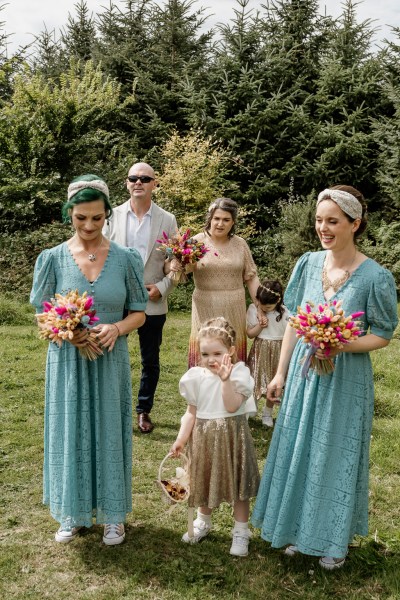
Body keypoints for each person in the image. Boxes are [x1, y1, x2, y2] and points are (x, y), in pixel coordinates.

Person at [251, 185, 398, 570]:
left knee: (334, 453)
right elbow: (295, 324)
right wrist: (280, 373)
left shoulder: (374, 277)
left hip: (345, 380)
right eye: (319, 220)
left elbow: (382, 333)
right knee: (301, 448)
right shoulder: (307, 263)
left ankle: (332, 539)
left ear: (355, 224)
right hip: (303, 376)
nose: (324, 228)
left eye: (333, 221)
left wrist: (338, 343)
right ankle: (298, 531)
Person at [30, 174, 148, 545]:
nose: (89, 225)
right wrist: (70, 332)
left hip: (110, 361)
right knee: (70, 431)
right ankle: (72, 513)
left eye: (97, 218)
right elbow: (40, 313)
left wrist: (117, 328)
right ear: (69, 214)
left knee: (111, 431)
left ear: (107, 215)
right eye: (81, 217)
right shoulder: (51, 259)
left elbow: (141, 311)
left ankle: (114, 515)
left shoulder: (127, 258)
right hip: (68, 361)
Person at [170, 317, 260, 557]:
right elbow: (190, 414)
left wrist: (225, 380)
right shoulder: (195, 377)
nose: (211, 360)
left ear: (230, 351)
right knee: (204, 478)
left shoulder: (239, 374)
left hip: (232, 437)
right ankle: (203, 521)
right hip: (204, 439)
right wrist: (181, 439)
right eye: (205, 353)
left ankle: (241, 531)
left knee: (239, 484)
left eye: (217, 353)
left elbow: (231, 406)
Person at [103, 162, 178, 433]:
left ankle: (143, 411)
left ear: (154, 184)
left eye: (145, 178)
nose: (138, 182)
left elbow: (177, 262)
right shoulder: (110, 216)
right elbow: (100, 254)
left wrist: (163, 287)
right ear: (126, 183)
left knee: (150, 360)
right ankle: (113, 410)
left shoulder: (167, 220)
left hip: (152, 301)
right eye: (133, 178)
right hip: (117, 300)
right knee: (111, 356)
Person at [169, 197, 259, 367]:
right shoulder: (196, 242)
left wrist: (260, 307)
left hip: (234, 307)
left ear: (233, 222)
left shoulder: (240, 244)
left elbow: (251, 277)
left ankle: (232, 391)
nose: (220, 224)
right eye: (216, 219)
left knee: (231, 351)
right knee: (206, 348)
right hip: (205, 306)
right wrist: (176, 262)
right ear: (210, 219)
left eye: (226, 220)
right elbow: (181, 270)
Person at [246, 279, 289, 427]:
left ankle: (267, 413)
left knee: (273, 384)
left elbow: (289, 335)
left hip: (277, 351)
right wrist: (260, 326)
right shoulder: (253, 309)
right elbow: (250, 334)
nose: (265, 309)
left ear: (278, 301)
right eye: (262, 305)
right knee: (254, 380)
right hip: (260, 350)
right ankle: (251, 407)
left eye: (269, 306)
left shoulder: (284, 313)